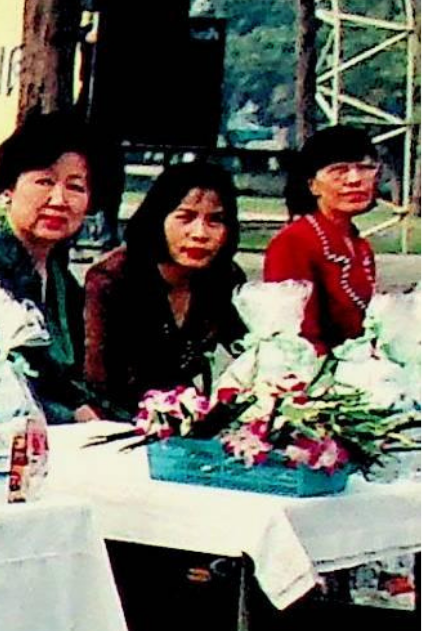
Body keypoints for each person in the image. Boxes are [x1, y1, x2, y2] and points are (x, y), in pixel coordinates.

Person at [0, 111, 115, 424]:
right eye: (44, 181)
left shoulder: (61, 278)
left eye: (75, 187)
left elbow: (68, 380)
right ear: (8, 189)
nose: (59, 199)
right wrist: (77, 416)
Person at [83, 161, 246, 420]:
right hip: (114, 420)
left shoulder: (224, 277)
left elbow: (249, 345)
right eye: (186, 217)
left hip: (187, 416)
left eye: (215, 221)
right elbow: (98, 382)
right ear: (158, 218)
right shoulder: (111, 280)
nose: (200, 234)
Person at [263, 125, 381, 351]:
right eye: (339, 170)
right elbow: (294, 336)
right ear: (312, 185)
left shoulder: (360, 246)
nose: (354, 179)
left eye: (365, 168)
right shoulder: (294, 242)